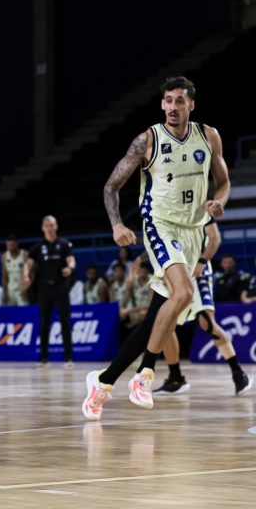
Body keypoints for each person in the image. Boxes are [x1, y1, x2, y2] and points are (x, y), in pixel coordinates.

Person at [82, 76, 231, 420]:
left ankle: (103, 382)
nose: (172, 107)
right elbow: (111, 186)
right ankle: (145, 373)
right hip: (160, 226)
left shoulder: (209, 136)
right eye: (168, 100)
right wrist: (117, 224)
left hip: (193, 232)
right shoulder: (147, 140)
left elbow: (223, 183)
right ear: (162, 104)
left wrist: (219, 203)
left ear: (191, 104)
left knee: (155, 320)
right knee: (184, 292)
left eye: (179, 100)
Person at [155, 220, 251, 396]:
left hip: (198, 271)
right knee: (166, 322)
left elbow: (214, 239)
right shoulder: (167, 211)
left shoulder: (198, 209)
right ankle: (176, 378)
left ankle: (238, 373)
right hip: (177, 270)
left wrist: (201, 261)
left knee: (206, 322)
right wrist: (141, 259)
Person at [23, 215, 76, 368]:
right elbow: (28, 263)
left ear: (56, 226)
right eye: (47, 226)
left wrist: (70, 268)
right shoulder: (38, 247)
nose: (49, 228)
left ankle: (68, 358)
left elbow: (71, 260)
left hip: (61, 287)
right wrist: (26, 275)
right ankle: (44, 358)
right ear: (43, 228)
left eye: (52, 225)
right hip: (44, 288)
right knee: (44, 323)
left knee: (65, 322)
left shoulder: (64, 244)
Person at [2, 235, 28, 306]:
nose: (10, 248)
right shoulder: (4, 256)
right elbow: (4, 276)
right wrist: (5, 292)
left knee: (24, 310)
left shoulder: (24, 255)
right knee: (10, 311)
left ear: (17, 244)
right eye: (8, 246)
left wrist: (25, 289)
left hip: (22, 290)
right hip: (10, 290)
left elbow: (29, 275)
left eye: (12, 245)